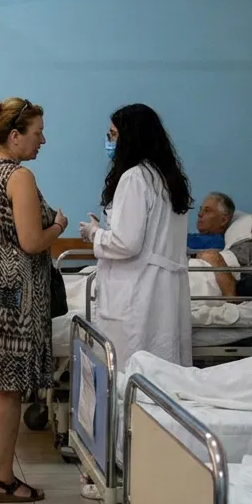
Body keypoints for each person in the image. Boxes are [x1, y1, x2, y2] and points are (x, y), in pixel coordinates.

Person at [0, 98, 67, 504]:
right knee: (7, 388)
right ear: (15, 135)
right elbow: (31, 241)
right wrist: (57, 224)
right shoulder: (18, 176)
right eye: (38, 133)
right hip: (11, 296)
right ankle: (3, 480)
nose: (43, 140)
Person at [79, 103, 193, 371]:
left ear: (131, 137)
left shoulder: (135, 178)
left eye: (113, 135)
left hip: (138, 291)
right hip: (162, 290)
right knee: (161, 370)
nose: (109, 142)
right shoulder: (167, 178)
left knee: (129, 369)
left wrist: (94, 233)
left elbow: (127, 243)